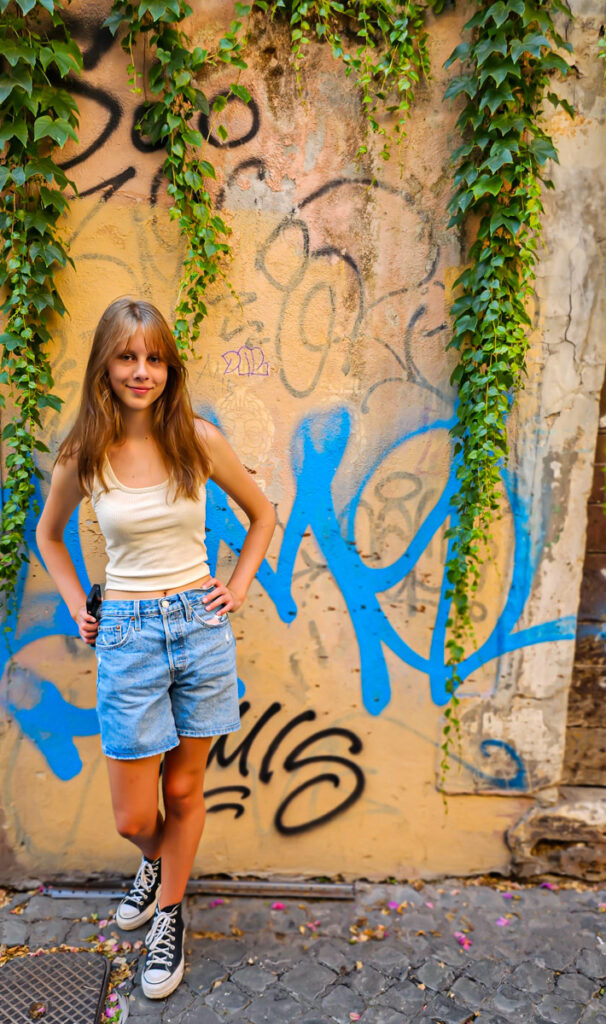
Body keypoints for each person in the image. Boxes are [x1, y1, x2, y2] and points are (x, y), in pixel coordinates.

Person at [35, 296, 275, 1000]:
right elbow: (48, 535)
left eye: (154, 359)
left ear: (170, 367)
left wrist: (235, 585)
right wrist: (80, 601)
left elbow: (262, 516)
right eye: (127, 357)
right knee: (135, 817)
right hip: (129, 635)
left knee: (184, 789)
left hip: (199, 631)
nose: (142, 372)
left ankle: (169, 909)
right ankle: (155, 861)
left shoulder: (196, 439)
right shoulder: (84, 453)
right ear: (104, 366)